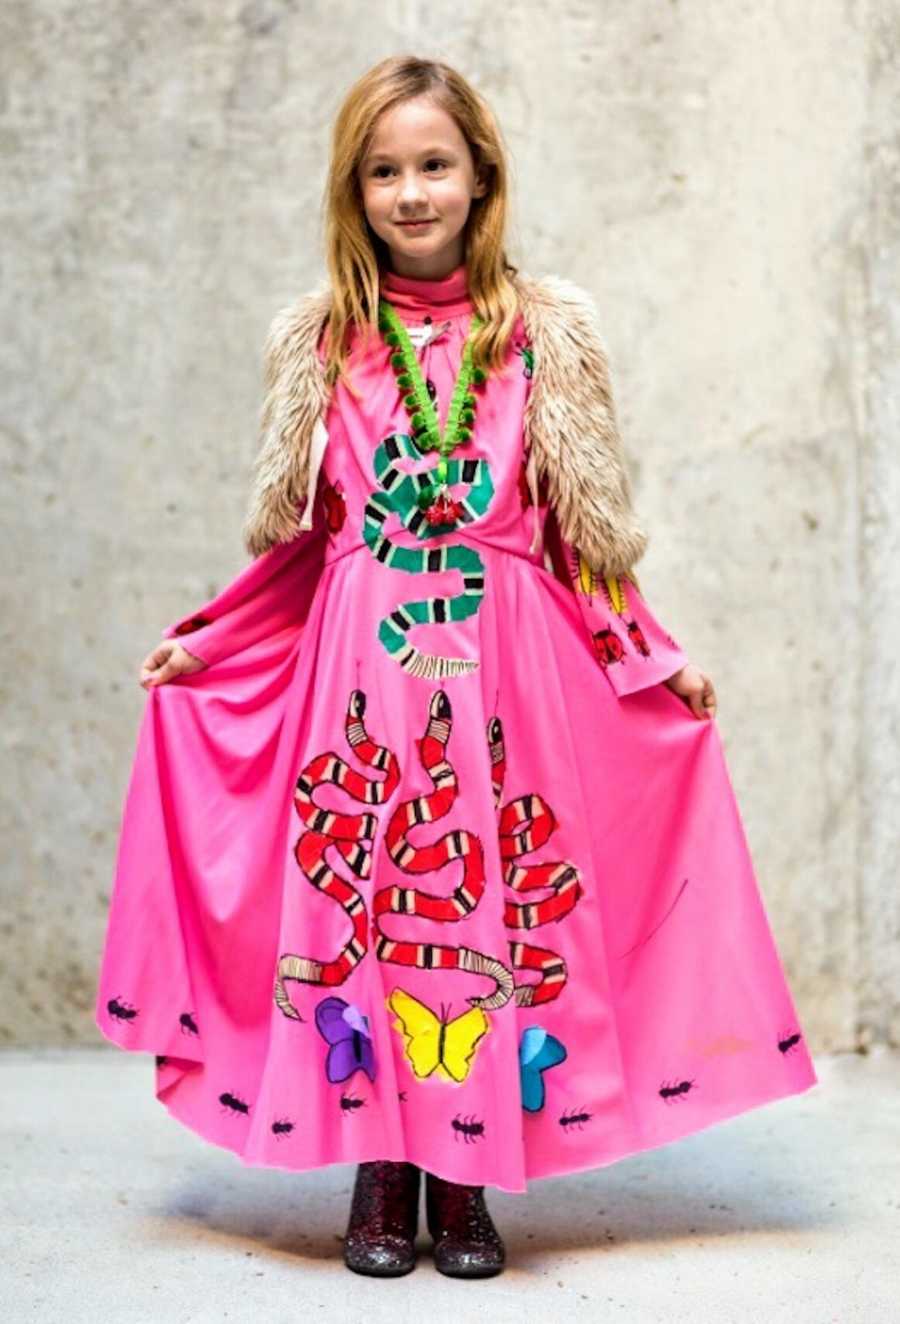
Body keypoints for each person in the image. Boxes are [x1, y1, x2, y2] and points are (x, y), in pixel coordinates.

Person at [95, 55, 818, 1280]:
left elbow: (586, 542)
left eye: (435, 165)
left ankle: (470, 1171)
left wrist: (658, 658)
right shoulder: (324, 343)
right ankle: (381, 1165)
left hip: (507, 674)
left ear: (481, 176)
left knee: (484, 904)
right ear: (354, 189)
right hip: (363, 675)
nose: (411, 192)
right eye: (385, 171)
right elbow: (306, 548)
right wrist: (209, 641)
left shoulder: (545, 337)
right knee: (370, 903)